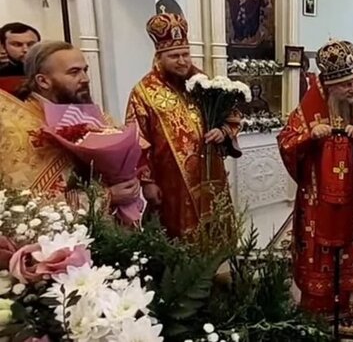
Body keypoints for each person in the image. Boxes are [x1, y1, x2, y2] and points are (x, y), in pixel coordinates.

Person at [277, 39, 353, 316]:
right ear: (328, 85)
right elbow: (286, 142)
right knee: (318, 248)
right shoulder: (311, 104)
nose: (352, 90)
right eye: (344, 85)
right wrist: (308, 136)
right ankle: (317, 301)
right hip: (317, 199)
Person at [125, 14, 241, 238]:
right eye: (174, 56)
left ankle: (214, 269)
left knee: (214, 232)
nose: (182, 61)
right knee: (178, 237)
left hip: (210, 174)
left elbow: (231, 115)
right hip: (171, 182)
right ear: (159, 57)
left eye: (186, 54)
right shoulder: (144, 92)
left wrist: (222, 131)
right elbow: (136, 140)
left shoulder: (203, 82)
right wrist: (147, 182)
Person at [0, 41, 139, 208]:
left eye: (85, 70)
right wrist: (105, 197)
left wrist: (129, 181)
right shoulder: (18, 128)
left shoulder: (96, 117)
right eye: (74, 72)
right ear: (43, 81)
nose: (85, 79)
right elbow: (27, 206)